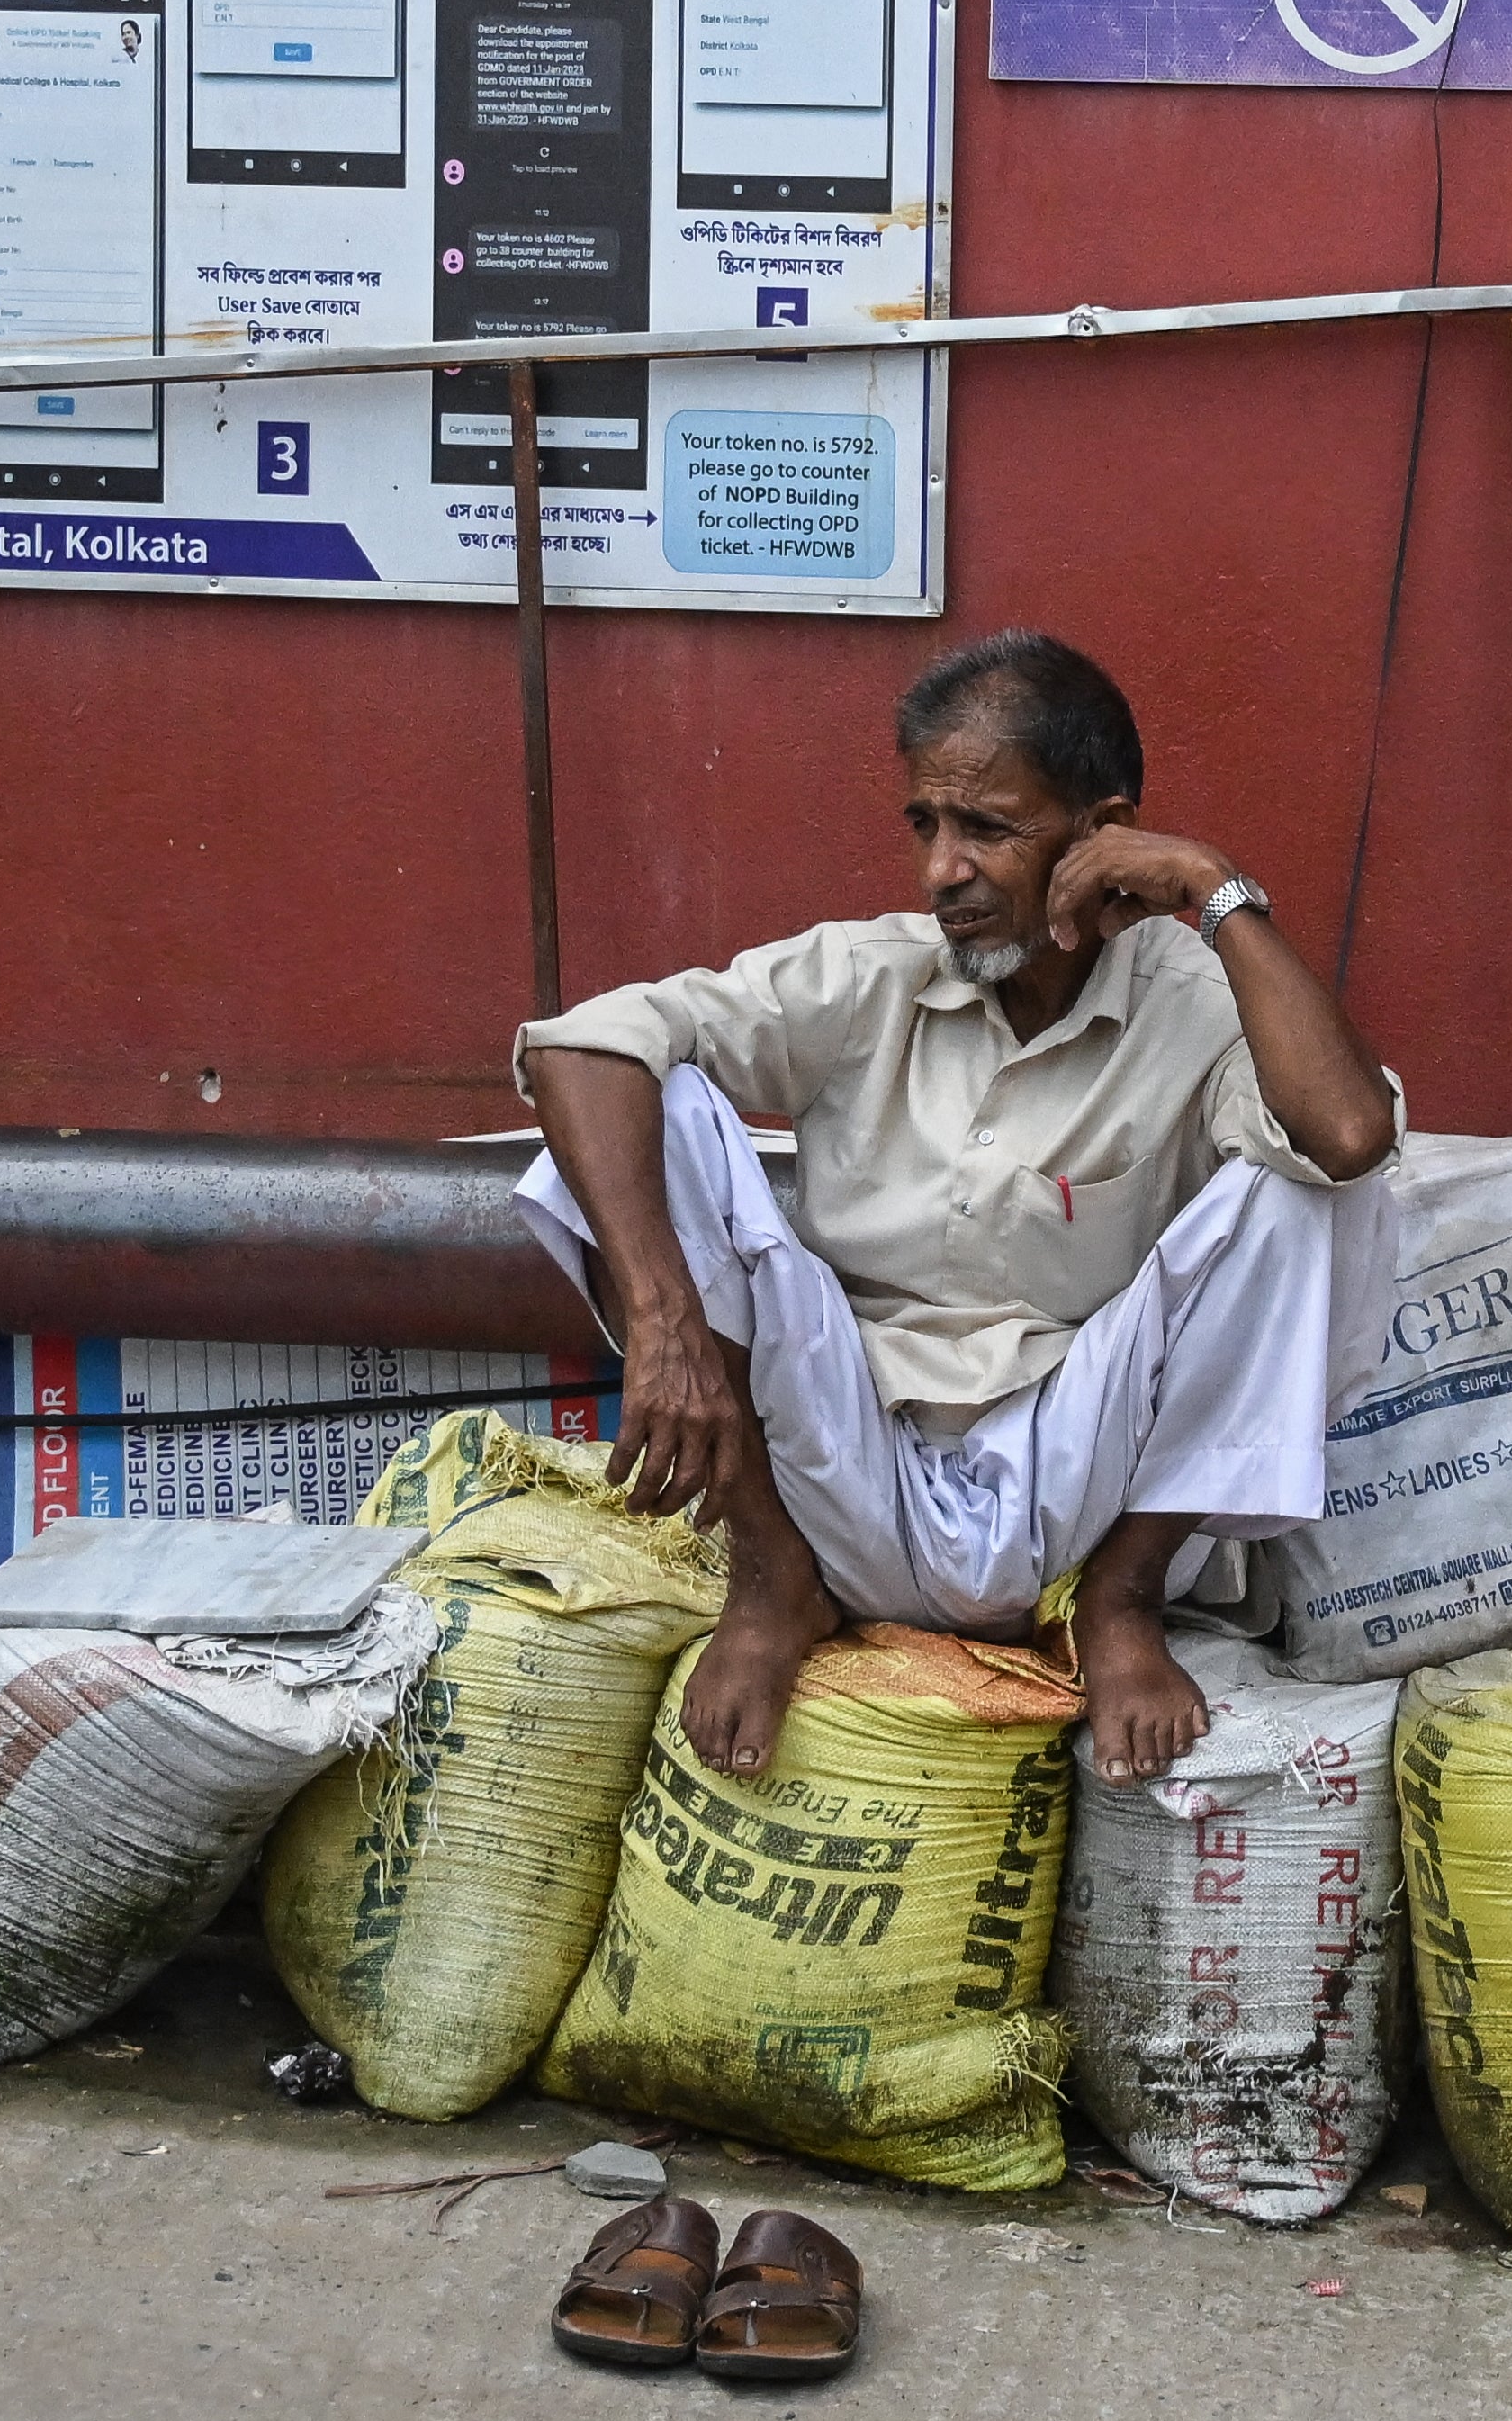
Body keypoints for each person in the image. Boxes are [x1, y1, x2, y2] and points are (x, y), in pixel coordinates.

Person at [512, 632, 1400, 1788]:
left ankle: (1120, 1611)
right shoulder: (869, 973)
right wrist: (665, 1321)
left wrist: (1209, 890)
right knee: (655, 1102)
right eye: (924, 824)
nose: (941, 869)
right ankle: (771, 1584)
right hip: (843, 1472)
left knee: (1311, 1195)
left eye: (987, 829)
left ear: (1101, 831)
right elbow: (580, 1049)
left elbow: (1346, 1133)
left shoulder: (1198, 1004)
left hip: (1076, 1491)